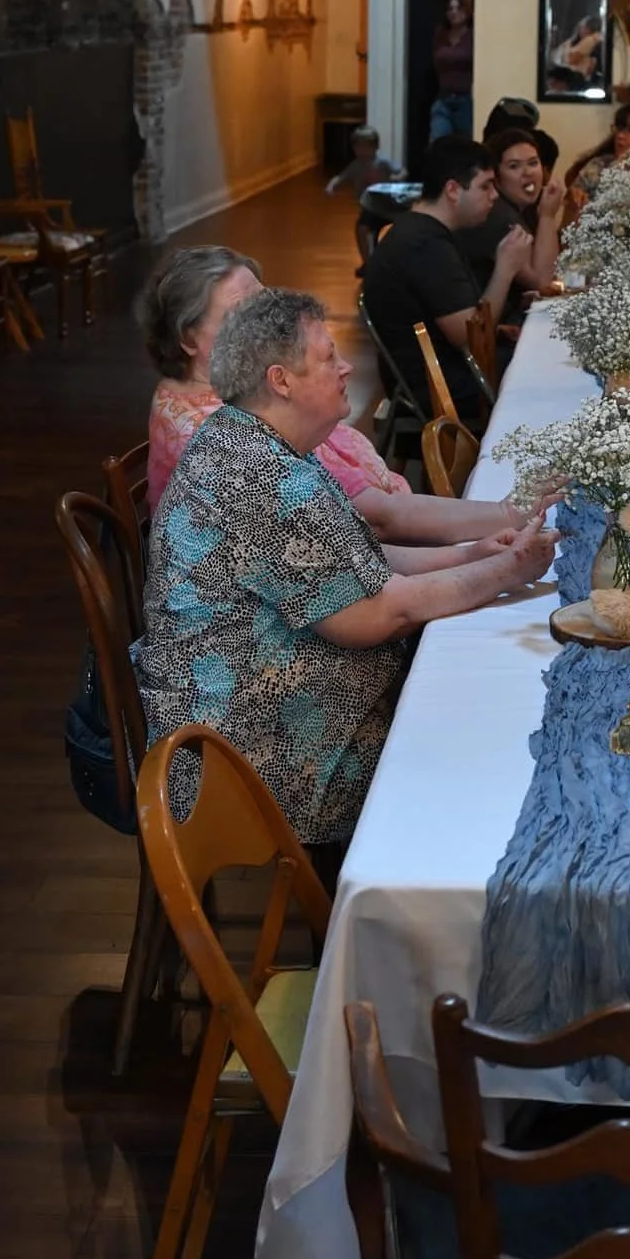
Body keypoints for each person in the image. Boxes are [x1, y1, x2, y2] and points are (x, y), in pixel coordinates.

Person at [138, 289, 554, 844]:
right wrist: (509, 572)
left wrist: (476, 555)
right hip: (255, 758)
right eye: (328, 357)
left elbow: (355, 556)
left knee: (485, 693)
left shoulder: (255, 443)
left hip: (249, 722)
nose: (346, 367)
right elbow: (374, 616)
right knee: (481, 746)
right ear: (281, 380)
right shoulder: (266, 478)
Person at [142, 245, 531, 543]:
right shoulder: (221, 431)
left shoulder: (234, 393)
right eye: (240, 314)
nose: (265, 326)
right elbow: (376, 521)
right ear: (187, 339)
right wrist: (509, 516)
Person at [362, 135, 530, 425]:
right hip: (444, 385)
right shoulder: (425, 245)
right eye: (485, 186)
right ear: (453, 189)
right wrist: (506, 268)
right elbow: (468, 335)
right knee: (543, 373)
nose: (494, 196)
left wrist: (499, 328)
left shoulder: (420, 231)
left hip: (437, 373)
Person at [453, 127, 564, 307]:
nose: (527, 172)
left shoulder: (518, 208)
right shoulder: (496, 214)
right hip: (477, 324)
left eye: (533, 163)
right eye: (514, 166)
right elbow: (543, 281)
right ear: (496, 176)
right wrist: (548, 215)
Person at [326, 125, 403, 270]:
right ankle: (367, 263)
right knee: (361, 229)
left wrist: (397, 177)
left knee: (395, 232)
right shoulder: (355, 166)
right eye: (358, 147)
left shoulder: (383, 163)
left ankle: (392, 263)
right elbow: (341, 177)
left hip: (389, 206)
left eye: (366, 147)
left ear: (375, 147)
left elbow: (402, 171)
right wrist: (332, 185)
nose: (362, 151)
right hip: (370, 208)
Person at [429, 0, 474, 143]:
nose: (454, 13)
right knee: (437, 143)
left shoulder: (473, 36)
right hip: (444, 97)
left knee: (465, 145)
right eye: (450, 9)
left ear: (467, 11)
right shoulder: (441, 34)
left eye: (458, 8)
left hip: (466, 99)